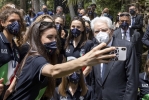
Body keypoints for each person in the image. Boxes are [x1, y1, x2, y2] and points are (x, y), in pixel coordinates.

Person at [2, 21, 116, 100]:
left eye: (55, 37)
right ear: (37, 38)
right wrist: (86, 60)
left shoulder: (43, 58)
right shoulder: (35, 58)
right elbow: (54, 71)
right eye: (49, 37)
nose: (54, 41)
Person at [91, 16, 139, 100]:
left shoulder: (125, 47)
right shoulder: (93, 50)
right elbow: (93, 80)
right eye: (97, 31)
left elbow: (132, 80)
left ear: (112, 31)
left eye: (104, 30)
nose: (100, 33)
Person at [0, 8, 25, 99]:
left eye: (18, 21)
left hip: (9, 94)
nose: (16, 24)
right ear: (2, 23)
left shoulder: (16, 48)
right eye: (12, 21)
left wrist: (10, 88)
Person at [64, 17, 94, 86]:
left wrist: (80, 79)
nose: (75, 29)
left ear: (83, 29)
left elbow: (89, 66)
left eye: (78, 27)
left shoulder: (88, 44)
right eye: (73, 26)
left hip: (84, 81)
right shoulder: (67, 43)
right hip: (68, 81)